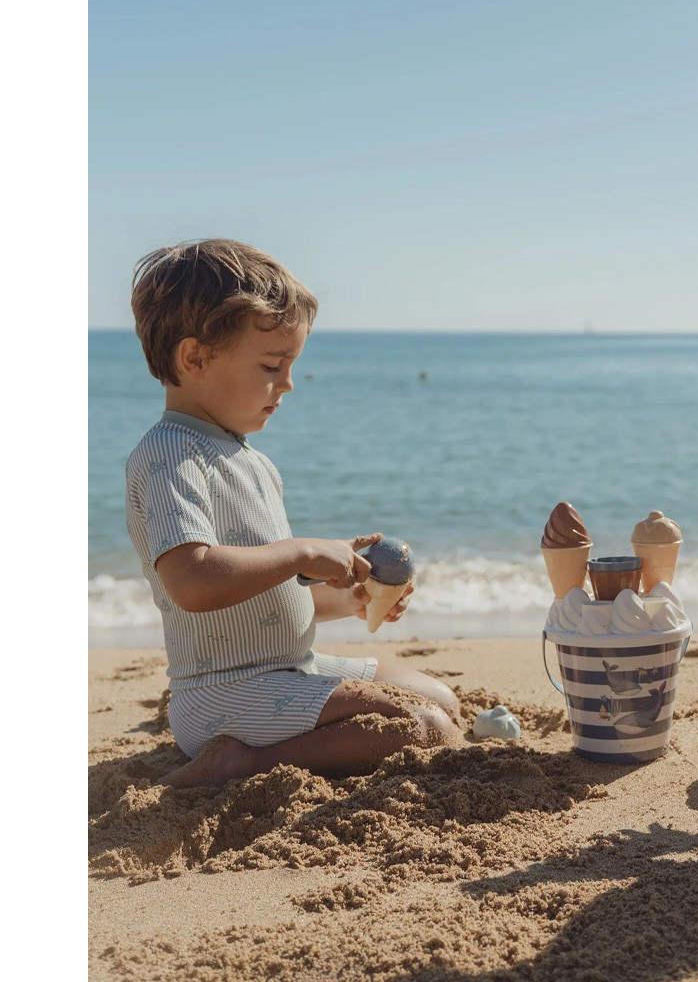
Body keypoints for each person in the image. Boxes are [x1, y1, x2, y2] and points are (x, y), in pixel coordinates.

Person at [125, 239, 462, 788]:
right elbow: (192, 580)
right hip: (223, 692)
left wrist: (349, 598)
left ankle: (270, 749)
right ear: (195, 358)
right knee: (424, 726)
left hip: (286, 669)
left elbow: (267, 596)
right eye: (271, 365)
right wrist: (304, 551)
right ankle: (238, 763)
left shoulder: (252, 461)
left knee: (439, 698)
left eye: (291, 365)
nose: (286, 383)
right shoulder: (170, 454)